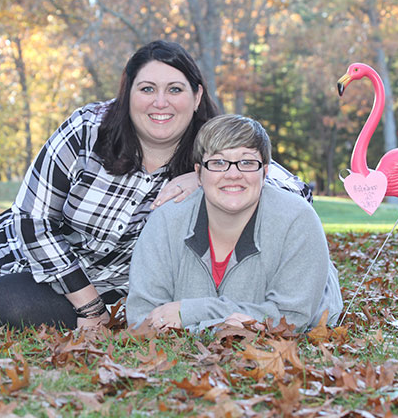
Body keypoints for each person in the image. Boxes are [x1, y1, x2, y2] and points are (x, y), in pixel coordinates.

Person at [0, 41, 312, 331]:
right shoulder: (87, 130)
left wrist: (199, 173)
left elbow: (294, 192)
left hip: (104, 281)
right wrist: (87, 306)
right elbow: (32, 219)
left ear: (197, 95)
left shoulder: (217, 147)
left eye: (175, 89)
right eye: (147, 88)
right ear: (129, 93)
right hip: (25, 245)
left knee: (7, 306)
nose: (160, 103)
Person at [125, 114, 342, 333]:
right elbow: (143, 317)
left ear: (265, 172)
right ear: (199, 173)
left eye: (247, 162)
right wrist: (232, 323)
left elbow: (290, 318)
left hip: (315, 301)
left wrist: (190, 312)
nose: (233, 174)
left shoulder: (298, 219)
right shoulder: (165, 221)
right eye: (218, 162)